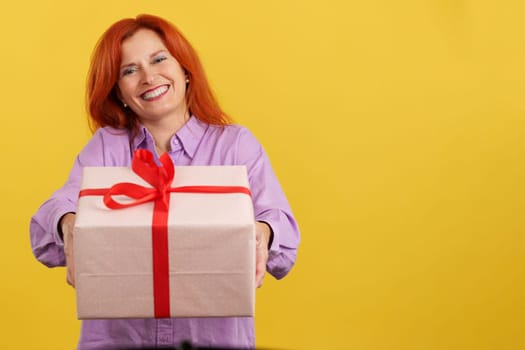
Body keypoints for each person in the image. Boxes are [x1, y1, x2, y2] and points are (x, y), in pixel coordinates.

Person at [29, 14, 300, 350]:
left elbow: (284, 239)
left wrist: (264, 232)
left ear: (185, 70)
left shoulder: (235, 146)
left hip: (213, 341)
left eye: (159, 59)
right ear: (120, 93)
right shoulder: (106, 146)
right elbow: (47, 228)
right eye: (129, 70)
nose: (148, 76)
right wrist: (66, 221)